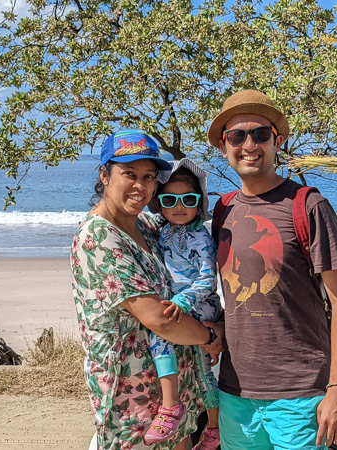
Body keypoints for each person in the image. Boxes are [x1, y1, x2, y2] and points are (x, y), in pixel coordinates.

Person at [208, 90, 337, 449]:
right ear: (224, 147)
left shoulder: (309, 206)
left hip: (300, 395)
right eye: (237, 136)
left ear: (278, 141)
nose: (249, 145)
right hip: (235, 391)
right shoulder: (222, 211)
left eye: (260, 134)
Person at [71, 129, 223, 450]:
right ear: (105, 175)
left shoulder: (146, 225)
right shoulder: (99, 237)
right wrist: (211, 337)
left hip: (170, 392)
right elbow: (160, 320)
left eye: (149, 176)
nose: (140, 186)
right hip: (131, 397)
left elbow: (187, 230)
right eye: (129, 174)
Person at [145, 159, 223, 449]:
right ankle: (174, 407)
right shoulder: (162, 232)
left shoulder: (202, 237)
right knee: (193, 367)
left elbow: (207, 280)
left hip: (200, 304)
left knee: (202, 370)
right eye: (169, 199)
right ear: (160, 204)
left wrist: (183, 300)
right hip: (180, 305)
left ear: (199, 203)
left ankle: (207, 425)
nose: (179, 206)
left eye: (188, 199)